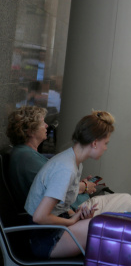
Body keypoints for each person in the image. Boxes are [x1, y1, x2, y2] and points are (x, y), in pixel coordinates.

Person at [6, 106, 131, 215]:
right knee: (127, 203)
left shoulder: (26, 155)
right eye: (42, 123)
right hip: (64, 217)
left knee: (124, 203)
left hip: (66, 214)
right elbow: (52, 193)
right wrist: (83, 187)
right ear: (29, 131)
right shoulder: (27, 158)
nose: (46, 125)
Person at [23, 110, 115, 259]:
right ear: (95, 142)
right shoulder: (66, 168)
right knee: (101, 227)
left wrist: (78, 216)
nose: (106, 148)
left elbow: (59, 208)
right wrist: (71, 221)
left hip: (49, 230)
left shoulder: (73, 161)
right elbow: (39, 217)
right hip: (43, 238)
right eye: (106, 143)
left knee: (100, 222)